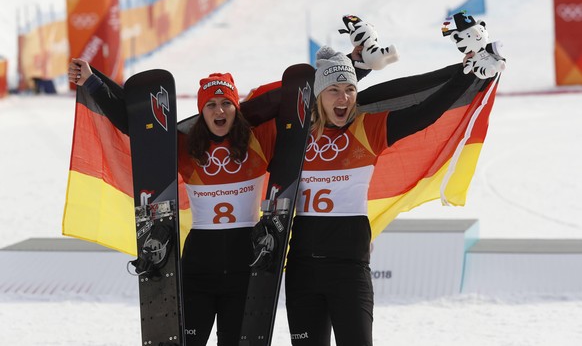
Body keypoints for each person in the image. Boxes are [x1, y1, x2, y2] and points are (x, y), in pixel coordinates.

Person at [68, 49, 369, 345]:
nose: (219, 110)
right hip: (198, 268)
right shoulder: (186, 147)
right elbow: (137, 126)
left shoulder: (259, 140)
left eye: (226, 103)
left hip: (244, 270)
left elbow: (298, 96)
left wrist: (348, 66)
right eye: (211, 104)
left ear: (237, 108)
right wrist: (94, 82)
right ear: (201, 110)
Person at [284, 45, 480, 346]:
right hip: (301, 271)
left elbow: (423, 114)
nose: (344, 98)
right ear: (318, 95)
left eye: (350, 89)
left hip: (349, 271)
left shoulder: (367, 128)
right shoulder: (294, 134)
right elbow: (263, 106)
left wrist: (466, 75)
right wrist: (356, 64)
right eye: (334, 90)